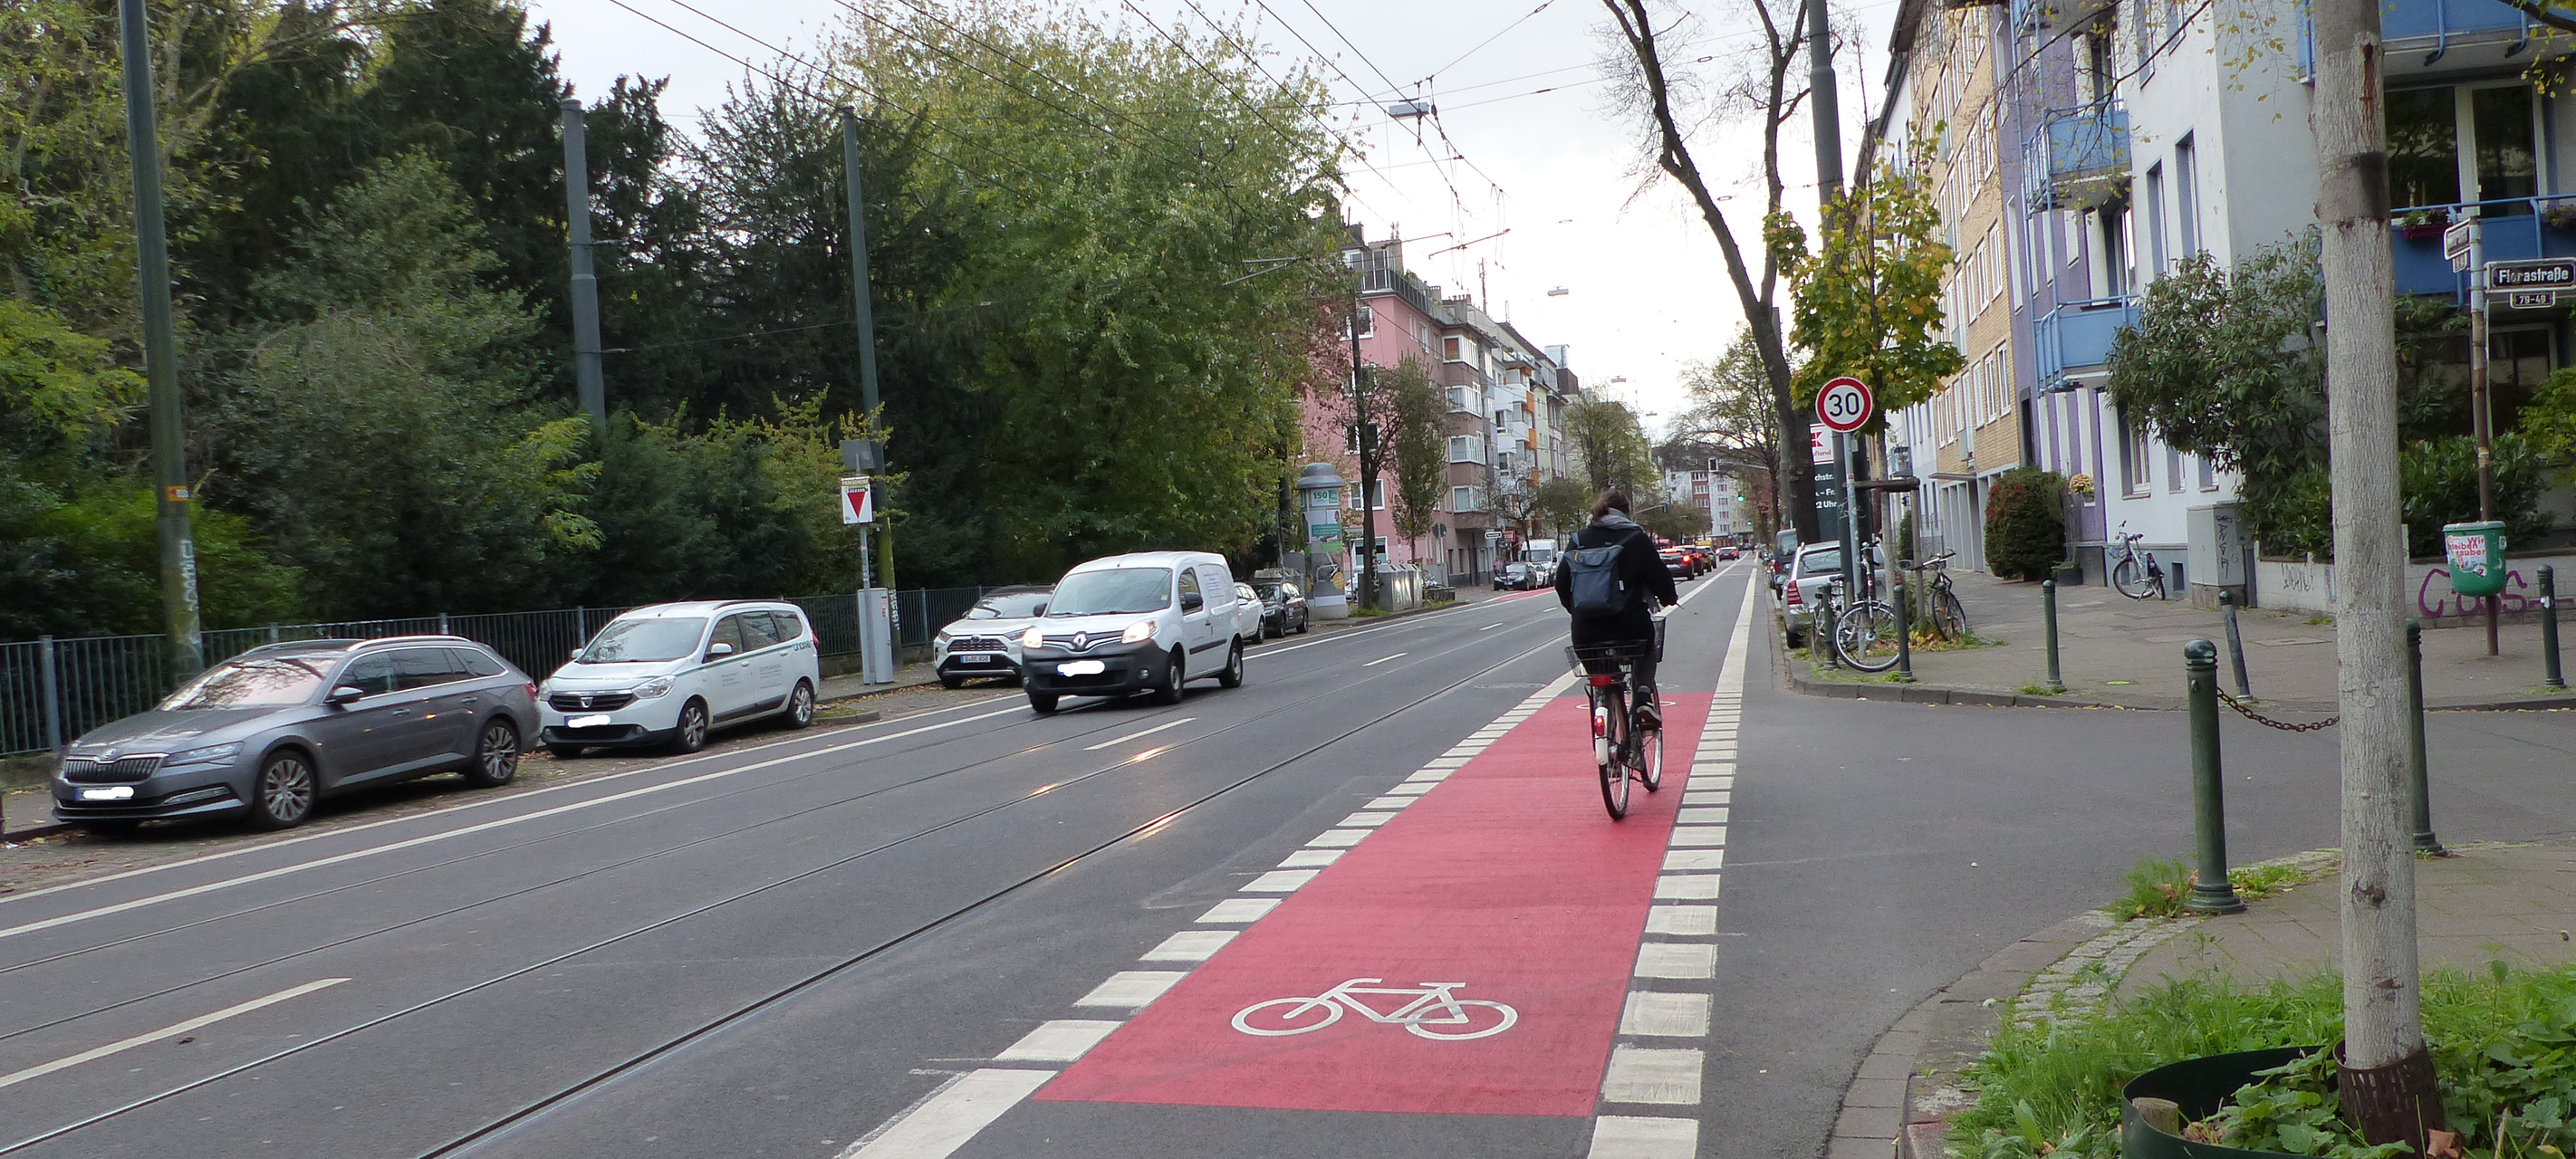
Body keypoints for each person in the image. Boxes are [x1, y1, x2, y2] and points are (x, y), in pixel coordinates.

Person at [1554, 489, 1679, 723]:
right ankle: (1643, 698)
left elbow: (1561, 583)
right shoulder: (1635, 538)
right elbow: (1659, 577)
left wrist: (1579, 610)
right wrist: (1669, 597)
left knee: (1603, 673)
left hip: (1586, 632)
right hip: (1630, 626)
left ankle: (1606, 712)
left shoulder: (1578, 540)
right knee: (1646, 647)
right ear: (1626, 512)